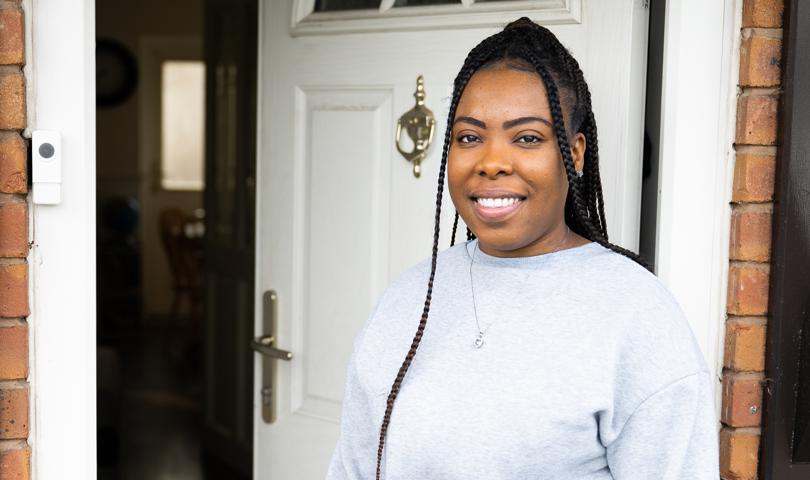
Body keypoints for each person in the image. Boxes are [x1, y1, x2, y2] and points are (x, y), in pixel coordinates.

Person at [326, 17, 719, 480]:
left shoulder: (637, 316)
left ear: (574, 152)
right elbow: (352, 468)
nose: (492, 162)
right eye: (469, 137)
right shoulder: (407, 299)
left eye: (527, 138)